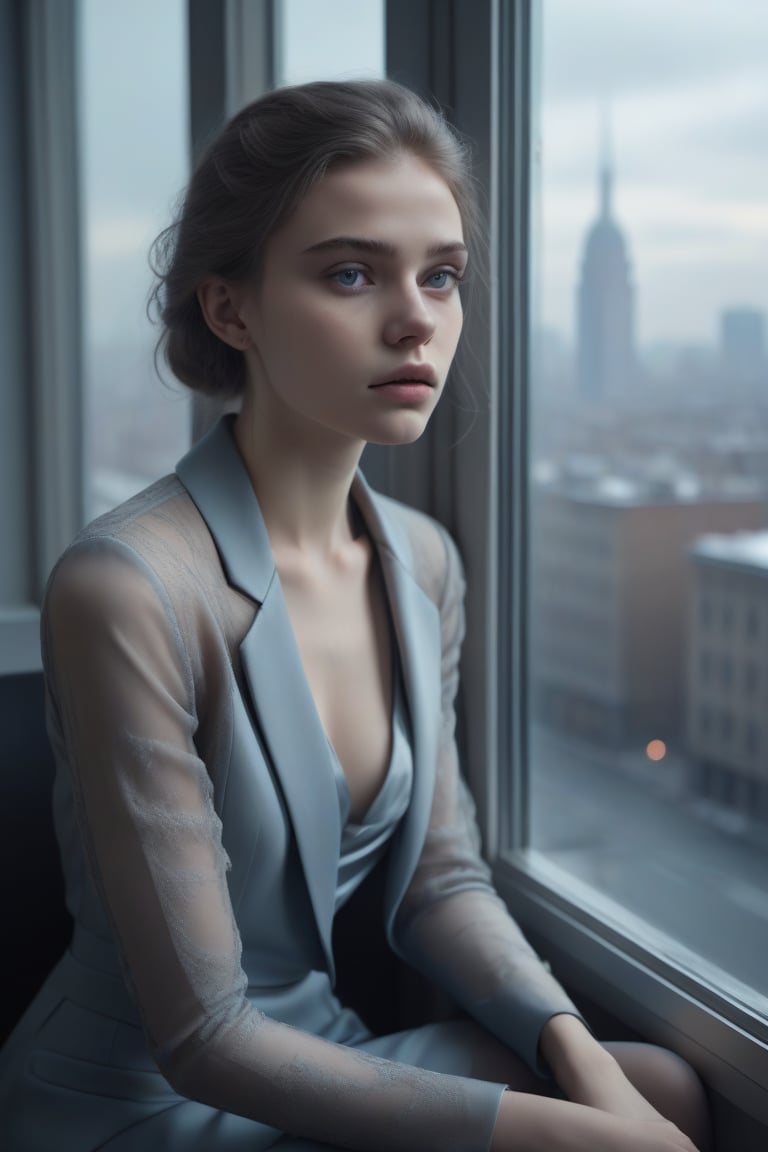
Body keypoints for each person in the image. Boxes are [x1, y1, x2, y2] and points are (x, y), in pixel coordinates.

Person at [0, 79, 710, 1152]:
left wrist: (577, 1056)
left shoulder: (423, 562)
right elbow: (204, 1034)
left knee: (655, 1090)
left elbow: (439, 880)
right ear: (229, 306)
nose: (416, 317)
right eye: (349, 272)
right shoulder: (127, 584)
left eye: (442, 276)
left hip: (320, 1045)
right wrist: (565, 1135)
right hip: (147, 1100)